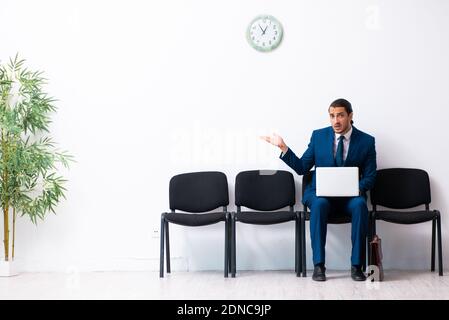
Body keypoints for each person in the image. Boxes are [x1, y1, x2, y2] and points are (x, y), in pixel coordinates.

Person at [261, 98, 376, 281]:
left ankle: (356, 266)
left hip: (350, 198)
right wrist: (283, 147)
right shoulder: (318, 136)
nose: (336, 121)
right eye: (332, 116)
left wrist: (353, 188)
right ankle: (319, 266)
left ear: (350, 116)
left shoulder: (367, 141)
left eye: (340, 115)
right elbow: (302, 168)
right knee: (320, 204)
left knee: (360, 205)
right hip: (320, 195)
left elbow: (370, 177)